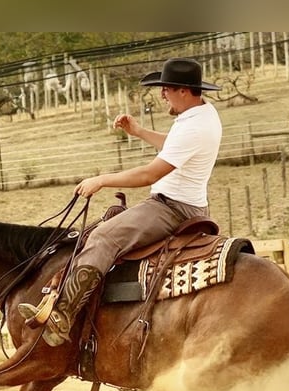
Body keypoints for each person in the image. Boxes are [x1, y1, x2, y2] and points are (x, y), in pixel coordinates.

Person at [19, 57, 223, 347]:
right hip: (182, 202)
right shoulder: (202, 114)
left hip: (171, 208)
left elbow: (150, 173)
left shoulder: (193, 126)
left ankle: (63, 316)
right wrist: (138, 132)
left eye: (165, 88)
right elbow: (175, 144)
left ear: (183, 91)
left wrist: (102, 180)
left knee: (103, 237)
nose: (161, 93)